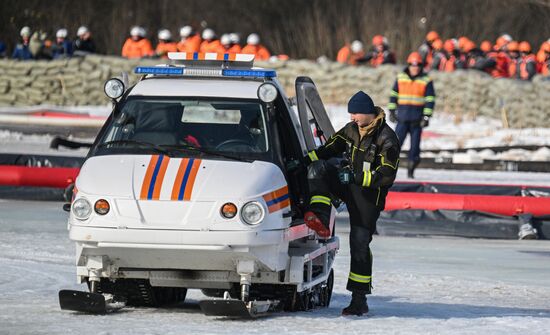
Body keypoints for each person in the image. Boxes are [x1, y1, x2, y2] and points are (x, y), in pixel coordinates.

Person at [302, 91, 400, 316]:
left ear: (367, 113)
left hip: (368, 197)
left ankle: (359, 299)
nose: (352, 117)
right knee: (320, 170)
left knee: (359, 242)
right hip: (349, 185)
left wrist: (356, 178)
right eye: (351, 113)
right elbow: (329, 149)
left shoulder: (387, 138)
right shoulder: (350, 130)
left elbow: (387, 175)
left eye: (355, 113)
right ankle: (321, 217)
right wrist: (304, 160)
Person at [388, 52, 435, 179]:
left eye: (418, 65)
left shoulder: (426, 80)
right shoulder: (401, 77)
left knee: (415, 149)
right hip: (402, 120)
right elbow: (394, 95)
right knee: (394, 146)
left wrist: (426, 117)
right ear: (408, 65)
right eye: (412, 65)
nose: (415, 67)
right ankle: (388, 171)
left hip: (417, 121)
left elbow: (430, 99)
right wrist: (392, 111)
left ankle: (411, 171)